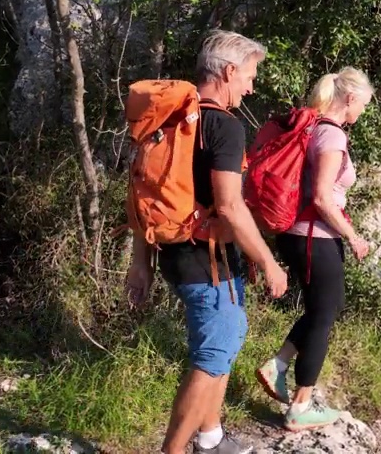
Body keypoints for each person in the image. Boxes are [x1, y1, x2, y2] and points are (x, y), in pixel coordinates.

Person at [125, 30, 289, 454]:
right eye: (249, 76)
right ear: (229, 71)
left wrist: (139, 263)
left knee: (226, 342)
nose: (251, 87)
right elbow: (231, 207)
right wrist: (269, 263)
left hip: (174, 253)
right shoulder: (223, 126)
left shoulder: (168, 119)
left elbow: (142, 195)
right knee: (212, 356)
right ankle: (173, 451)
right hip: (206, 260)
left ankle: (210, 437)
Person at [254, 66, 375, 431]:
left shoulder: (310, 128)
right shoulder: (332, 136)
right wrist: (352, 236)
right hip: (314, 236)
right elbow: (323, 198)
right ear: (350, 99)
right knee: (322, 317)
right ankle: (300, 406)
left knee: (329, 306)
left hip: (297, 233)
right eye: (363, 105)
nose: (362, 113)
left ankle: (278, 364)